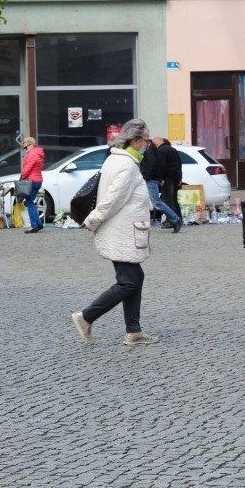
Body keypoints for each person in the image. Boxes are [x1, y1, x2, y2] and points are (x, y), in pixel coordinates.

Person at [71, 119, 159, 346]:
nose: (147, 145)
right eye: (146, 140)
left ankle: (134, 331)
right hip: (122, 233)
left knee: (133, 278)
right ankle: (86, 317)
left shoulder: (116, 159)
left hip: (121, 231)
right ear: (135, 140)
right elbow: (112, 199)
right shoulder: (127, 165)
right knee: (129, 281)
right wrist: (93, 220)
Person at [140, 137, 182, 233]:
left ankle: (175, 219)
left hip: (150, 178)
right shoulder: (152, 148)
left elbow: (152, 163)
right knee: (146, 201)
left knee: (157, 202)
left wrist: (147, 176)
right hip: (151, 178)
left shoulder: (149, 148)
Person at [153, 136, 184, 233]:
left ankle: (172, 220)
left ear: (157, 142)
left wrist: (161, 178)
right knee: (173, 200)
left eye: (154, 143)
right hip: (174, 178)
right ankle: (178, 218)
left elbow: (162, 166)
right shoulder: (172, 149)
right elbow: (179, 164)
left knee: (167, 200)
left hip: (167, 179)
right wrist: (179, 178)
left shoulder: (161, 151)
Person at [20, 136, 44, 234]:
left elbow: (27, 170)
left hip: (31, 181)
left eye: (25, 146)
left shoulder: (32, 154)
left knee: (29, 203)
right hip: (38, 180)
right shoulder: (38, 153)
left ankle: (34, 226)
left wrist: (21, 178)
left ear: (30, 144)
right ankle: (38, 223)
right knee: (31, 202)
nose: (24, 148)